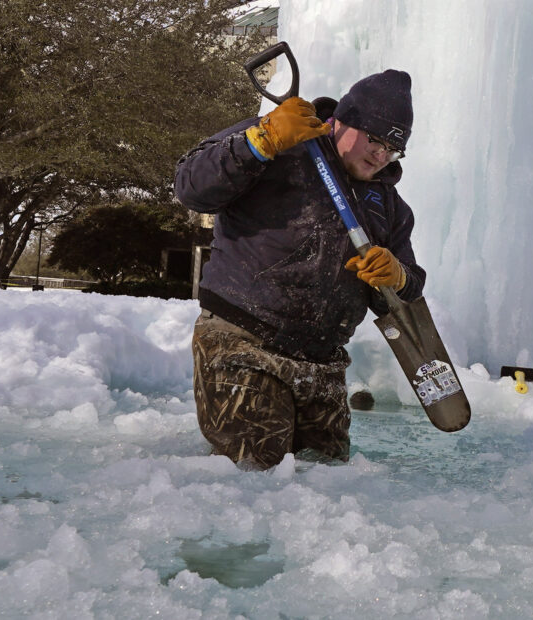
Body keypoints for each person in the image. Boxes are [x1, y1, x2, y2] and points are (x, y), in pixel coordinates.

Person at [174, 70, 425, 470]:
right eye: (375, 139)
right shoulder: (280, 138)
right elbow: (190, 187)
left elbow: (407, 292)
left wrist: (397, 277)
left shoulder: (390, 207)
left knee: (326, 490)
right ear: (340, 120)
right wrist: (258, 144)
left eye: (394, 149)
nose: (381, 155)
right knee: (254, 480)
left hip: (323, 364)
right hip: (244, 343)